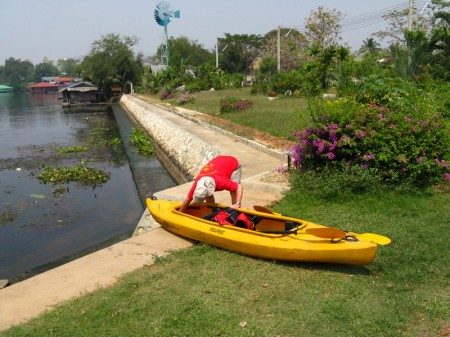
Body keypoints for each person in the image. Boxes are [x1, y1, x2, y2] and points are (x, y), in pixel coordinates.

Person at [179, 155, 243, 213]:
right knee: (205, 192)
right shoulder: (198, 183)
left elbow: (239, 187)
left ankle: (236, 212)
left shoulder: (221, 181)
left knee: (233, 190)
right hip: (219, 160)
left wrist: (237, 203)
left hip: (233, 163)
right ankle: (213, 210)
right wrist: (179, 213)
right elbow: (187, 200)